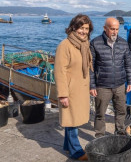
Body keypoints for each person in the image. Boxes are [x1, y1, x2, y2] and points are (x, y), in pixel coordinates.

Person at [54, 14, 94, 161]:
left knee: (73, 119)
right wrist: (63, 94)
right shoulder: (65, 45)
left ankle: (67, 146)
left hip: (81, 90)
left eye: (87, 29)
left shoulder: (84, 44)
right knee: (71, 120)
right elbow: (59, 71)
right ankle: (76, 151)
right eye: (81, 28)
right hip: (70, 91)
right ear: (74, 27)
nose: (84, 31)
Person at [90, 18, 131, 138]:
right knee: (100, 113)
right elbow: (91, 67)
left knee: (121, 111)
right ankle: (100, 135)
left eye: (117, 29)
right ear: (105, 28)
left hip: (120, 85)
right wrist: (92, 85)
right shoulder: (95, 43)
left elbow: (128, 64)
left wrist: (130, 81)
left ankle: (119, 132)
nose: (115, 32)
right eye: (112, 29)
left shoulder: (123, 43)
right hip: (102, 86)